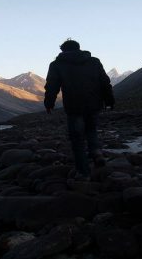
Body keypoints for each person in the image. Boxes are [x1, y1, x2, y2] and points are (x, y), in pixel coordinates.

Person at [44, 39, 115, 180]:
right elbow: (104, 82)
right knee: (91, 130)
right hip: (94, 103)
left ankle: (83, 172)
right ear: (79, 48)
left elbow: (52, 85)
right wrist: (109, 100)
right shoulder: (94, 61)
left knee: (77, 139)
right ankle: (96, 153)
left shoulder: (57, 64)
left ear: (62, 50)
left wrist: (49, 103)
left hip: (74, 105)